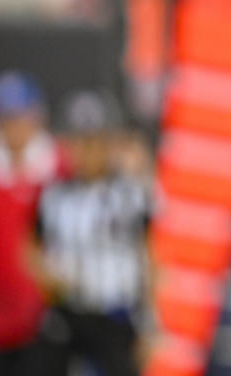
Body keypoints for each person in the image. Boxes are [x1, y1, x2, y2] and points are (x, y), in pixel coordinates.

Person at [0, 71, 70, 376]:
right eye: (7, 118)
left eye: (20, 117)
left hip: (54, 324)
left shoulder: (64, 168)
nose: (15, 128)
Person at [36, 89, 152, 376]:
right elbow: (30, 247)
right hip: (68, 312)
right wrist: (47, 275)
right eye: (79, 142)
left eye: (95, 142)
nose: (86, 151)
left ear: (110, 144)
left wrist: (151, 323)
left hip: (115, 314)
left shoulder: (132, 194)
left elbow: (152, 254)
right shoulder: (53, 196)